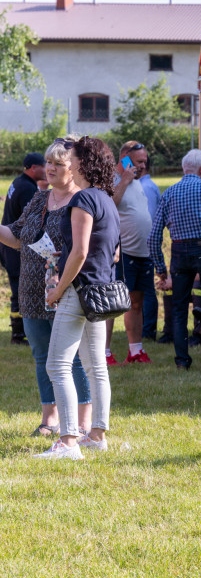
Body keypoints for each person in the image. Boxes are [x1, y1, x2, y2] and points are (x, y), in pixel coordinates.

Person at [0, 138, 93, 438]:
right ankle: (49, 418)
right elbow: (15, 236)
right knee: (41, 354)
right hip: (30, 289)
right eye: (48, 162)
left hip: (65, 290)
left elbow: (84, 250)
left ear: (74, 167)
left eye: (58, 163)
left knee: (72, 357)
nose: (50, 168)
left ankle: (83, 421)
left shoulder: (82, 200)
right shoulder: (40, 198)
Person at [35, 136, 120, 460]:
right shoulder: (105, 198)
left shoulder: (82, 199)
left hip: (78, 291)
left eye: (71, 158)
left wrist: (58, 289)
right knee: (96, 365)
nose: (67, 162)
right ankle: (96, 435)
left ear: (84, 162)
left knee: (58, 365)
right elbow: (106, 250)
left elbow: (82, 251)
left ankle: (68, 440)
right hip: (100, 290)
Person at [148, 149, 201, 371]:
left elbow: (154, 235)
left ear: (185, 169)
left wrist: (160, 267)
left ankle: (182, 360)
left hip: (179, 252)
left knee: (179, 306)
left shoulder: (170, 192)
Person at [104, 140, 154, 365]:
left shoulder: (136, 181)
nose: (143, 165)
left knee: (136, 302)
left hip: (142, 253)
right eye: (138, 161)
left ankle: (135, 351)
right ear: (124, 158)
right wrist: (124, 179)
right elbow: (109, 205)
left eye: (144, 161)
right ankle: (104, 353)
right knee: (114, 303)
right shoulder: (113, 179)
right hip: (122, 252)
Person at [3, 152, 47, 344]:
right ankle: (19, 334)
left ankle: (19, 333)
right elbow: (31, 222)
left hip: (6, 244)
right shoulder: (28, 189)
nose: (47, 169)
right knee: (19, 290)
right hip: (14, 246)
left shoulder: (19, 182)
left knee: (17, 289)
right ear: (33, 168)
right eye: (44, 165)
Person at [134, 144, 163, 342]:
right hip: (137, 245)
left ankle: (148, 329)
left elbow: (150, 220)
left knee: (147, 290)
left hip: (146, 246)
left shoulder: (147, 188)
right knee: (139, 290)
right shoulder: (139, 185)